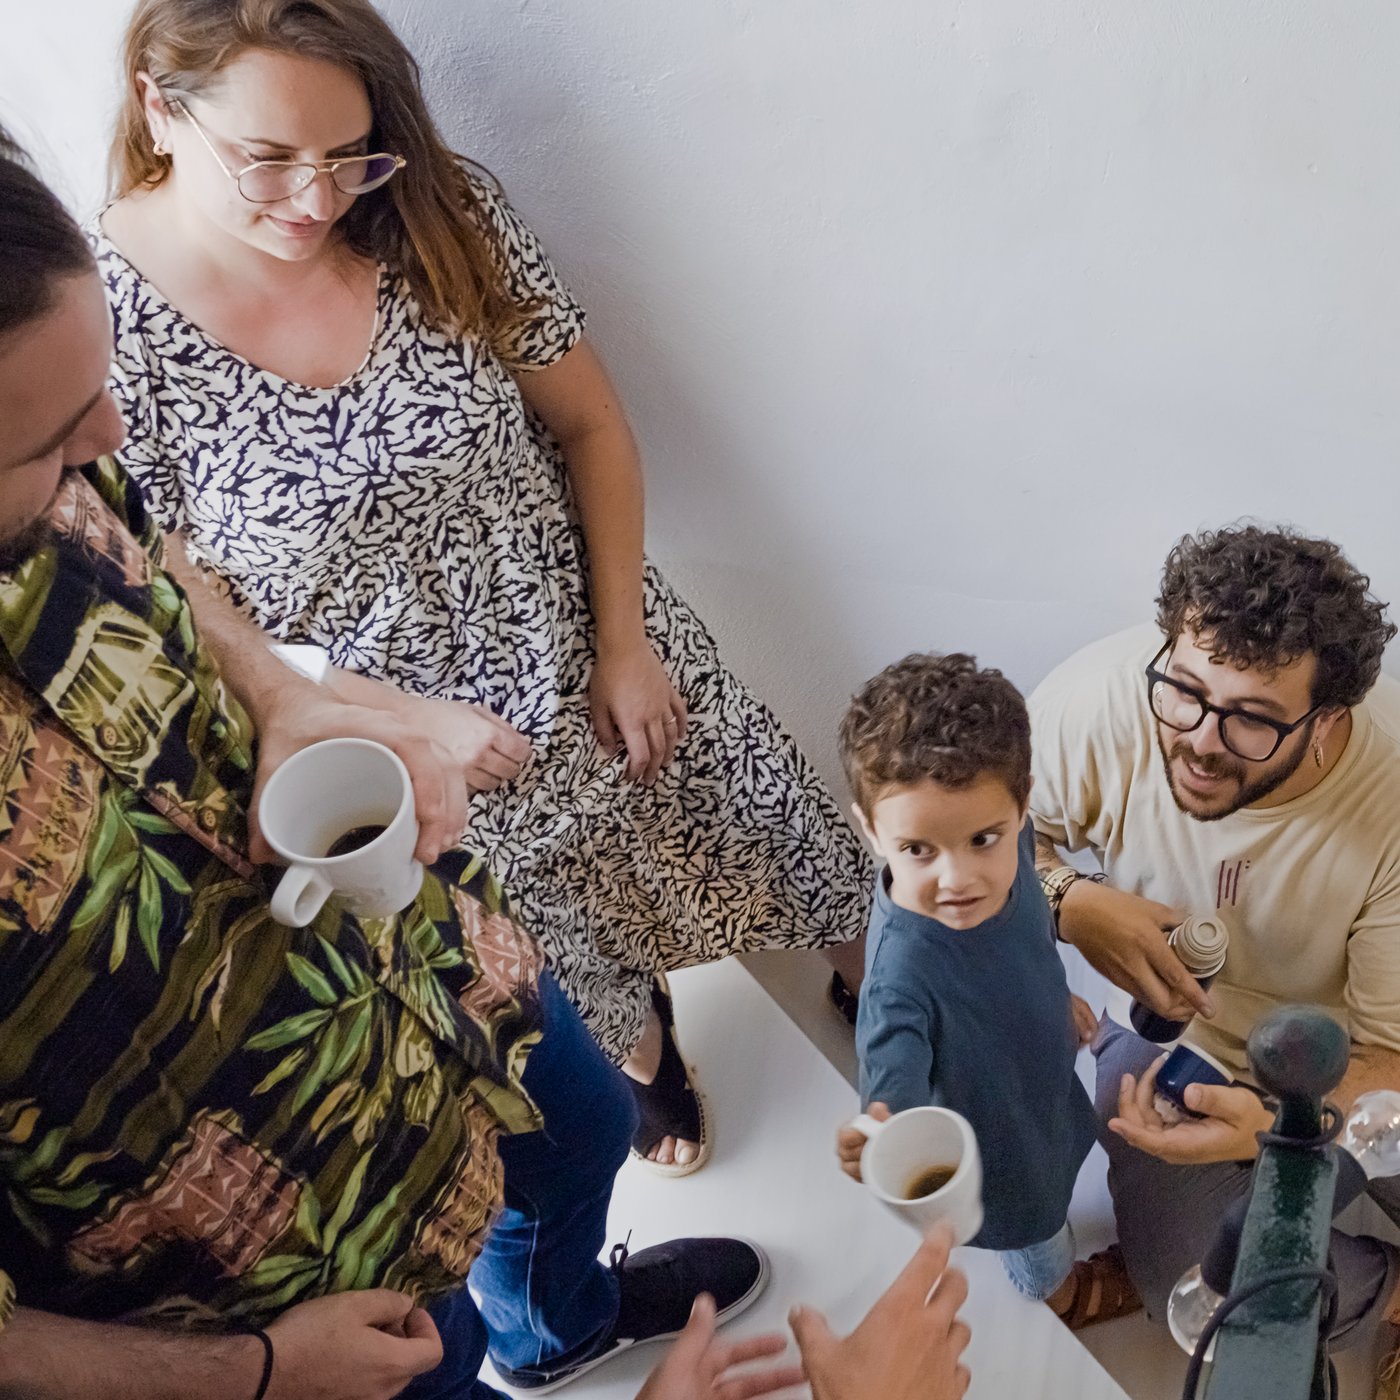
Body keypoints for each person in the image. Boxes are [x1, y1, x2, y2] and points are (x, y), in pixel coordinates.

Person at [0, 124, 773, 1400]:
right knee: (436, 1363)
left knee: (581, 1140)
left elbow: (164, 560)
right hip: (257, 1275)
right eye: (45, 445)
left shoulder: (70, 435)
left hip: (421, 970)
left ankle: (554, 1325)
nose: (113, 432)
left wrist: (279, 697)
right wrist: (251, 1373)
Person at [91, 0, 871, 1176]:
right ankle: (644, 1052)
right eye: (267, 161)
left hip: (592, 637)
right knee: (549, 954)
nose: (316, 199)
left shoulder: (433, 211)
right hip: (403, 738)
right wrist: (411, 723)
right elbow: (187, 598)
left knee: (789, 838)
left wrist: (623, 642)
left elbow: (591, 425)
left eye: (348, 155)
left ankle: (888, 991)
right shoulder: (102, 328)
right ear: (160, 104)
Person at [1027, 525, 1400, 1390]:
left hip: (1349, 1064)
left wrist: (1283, 1124)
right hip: (1167, 1045)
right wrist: (1070, 903)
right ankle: (1384, 1295)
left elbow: (1391, 1062)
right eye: (1186, 692)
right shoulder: (1102, 699)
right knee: (1204, 1305)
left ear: (1327, 720)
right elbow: (931, 831)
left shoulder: (1388, 807)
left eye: (1253, 720)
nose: (1197, 739)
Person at [831, 654, 1138, 1328]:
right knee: (1034, 1227)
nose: (957, 877)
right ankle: (1060, 1293)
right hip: (996, 1143)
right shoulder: (898, 976)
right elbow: (893, 1090)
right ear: (870, 829)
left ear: (1022, 803)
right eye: (918, 850)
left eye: (981, 839)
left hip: (1040, 1073)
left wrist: (1053, 997)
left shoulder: (1019, 842)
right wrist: (877, 1131)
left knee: (1062, 1147)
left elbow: (1024, 936)